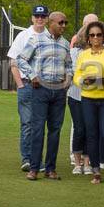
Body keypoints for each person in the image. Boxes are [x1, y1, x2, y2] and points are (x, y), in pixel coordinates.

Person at [17, 11, 72, 180]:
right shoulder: (37, 39)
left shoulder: (65, 44)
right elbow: (21, 59)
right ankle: (34, 168)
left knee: (55, 131)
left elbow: (69, 65)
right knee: (38, 129)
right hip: (40, 90)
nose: (63, 26)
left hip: (59, 91)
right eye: (61, 23)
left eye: (65, 23)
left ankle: (50, 169)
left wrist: (69, 79)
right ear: (51, 23)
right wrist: (32, 75)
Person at [73, 21, 104, 185]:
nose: (96, 38)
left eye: (99, 35)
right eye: (92, 35)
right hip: (88, 99)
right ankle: (95, 171)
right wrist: (84, 81)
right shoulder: (83, 55)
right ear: (88, 38)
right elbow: (76, 77)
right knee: (92, 135)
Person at [8, 5, 49, 172]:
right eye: (37, 16)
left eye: (43, 16)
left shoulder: (49, 36)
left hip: (46, 87)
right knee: (27, 123)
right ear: (32, 18)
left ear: (46, 18)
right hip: (26, 84)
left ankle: (38, 159)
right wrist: (20, 85)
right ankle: (27, 159)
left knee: (40, 124)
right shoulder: (23, 36)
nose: (39, 19)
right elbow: (13, 63)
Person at [67, 13, 98, 174]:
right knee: (79, 129)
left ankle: (87, 163)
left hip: (93, 96)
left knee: (90, 129)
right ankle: (77, 163)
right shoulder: (74, 52)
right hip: (76, 95)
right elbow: (72, 71)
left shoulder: (99, 52)